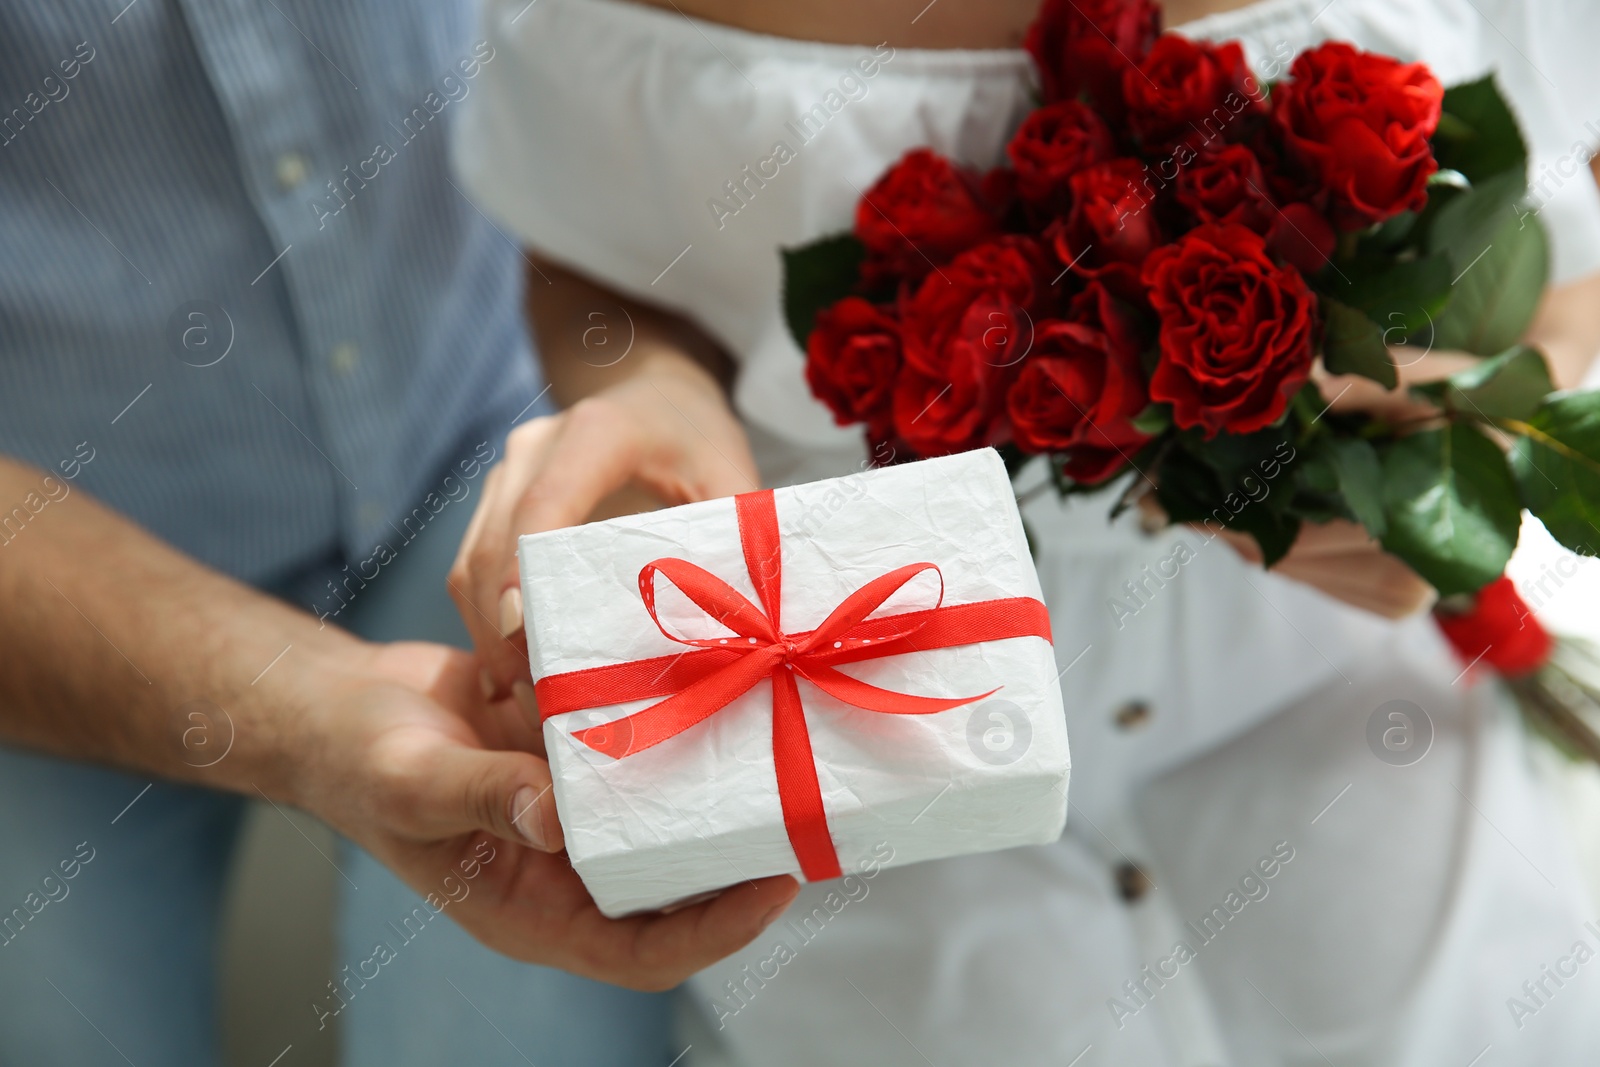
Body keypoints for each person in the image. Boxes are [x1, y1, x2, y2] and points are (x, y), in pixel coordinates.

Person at [450, 0, 1600, 1062]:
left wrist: (1475, 419)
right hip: (857, 717)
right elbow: (584, 267)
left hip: (1327, 682)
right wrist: (652, 388)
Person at [0, 2, 796, 1065]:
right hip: (52, 568)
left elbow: (576, 84)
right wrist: (311, 717)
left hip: (471, 443)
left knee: (528, 1004)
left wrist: (647, 372)